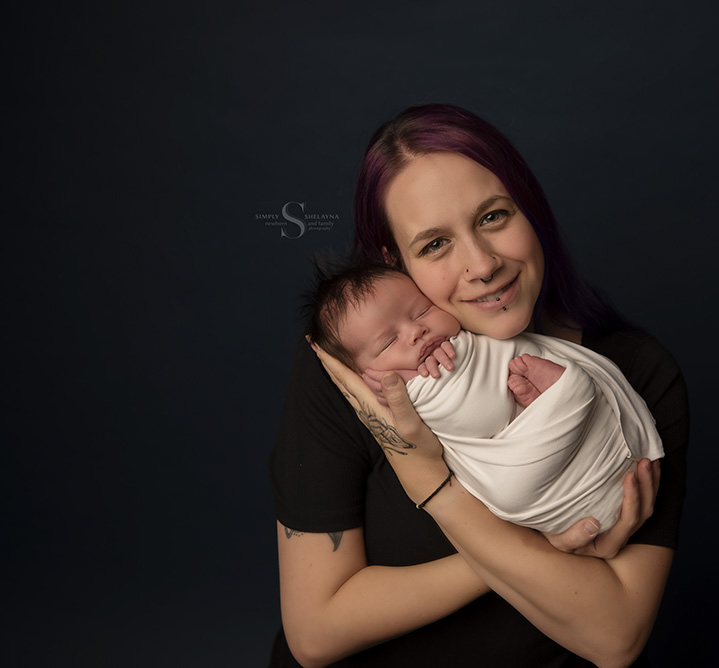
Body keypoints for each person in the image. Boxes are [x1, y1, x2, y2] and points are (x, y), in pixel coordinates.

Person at [269, 104, 689, 668]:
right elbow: (316, 633)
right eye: (435, 244)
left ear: (529, 209)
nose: (482, 265)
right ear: (395, 262)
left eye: (493, 217)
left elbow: (614, 638)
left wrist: (434, 486)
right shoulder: (356, 369)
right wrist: (540, 548)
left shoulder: (632, 375)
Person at [304, 262, 663, 537]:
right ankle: (565, 395)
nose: (416, 332)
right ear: (362, 380)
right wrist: (405, 396)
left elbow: (482, 404)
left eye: (421, 312)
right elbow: (475, 417)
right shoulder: (376, 396)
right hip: (562, 505)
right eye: (387, 343)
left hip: (613, 469)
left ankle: (567, 395)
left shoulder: (464, 347)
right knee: (509, 492)